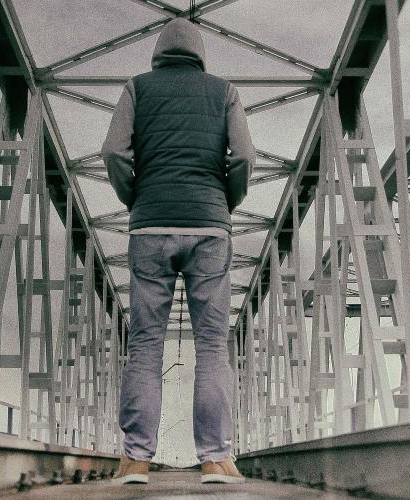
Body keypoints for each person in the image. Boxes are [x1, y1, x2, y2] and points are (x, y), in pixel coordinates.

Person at [101, 17, 255, 485]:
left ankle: (134, 461)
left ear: (158, 52)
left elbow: (113, 152)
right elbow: (245, 156)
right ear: (201, 53)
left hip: (149, 226)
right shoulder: (224, 91)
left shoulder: (136, 88)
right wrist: (225, 202)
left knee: (146, 342)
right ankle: (213, 459)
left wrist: (136, 199)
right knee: (211, 344)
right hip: (211, 227)